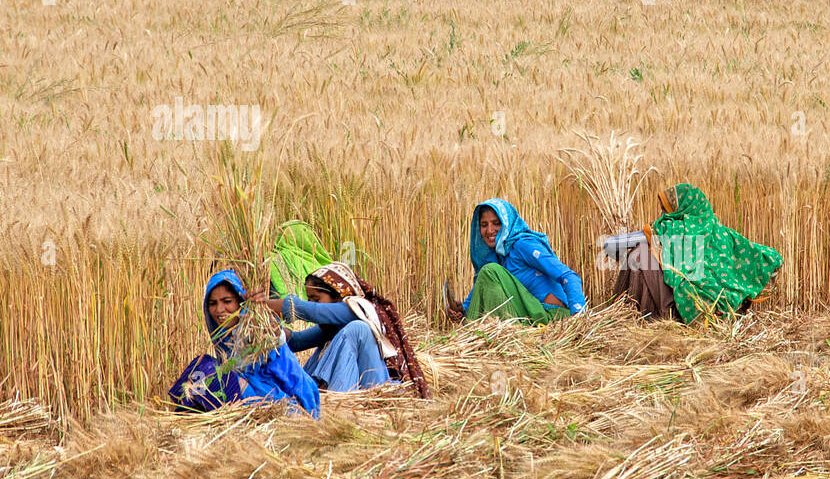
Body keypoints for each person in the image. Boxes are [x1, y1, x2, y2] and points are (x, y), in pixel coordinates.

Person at [248, 262, 429, 396]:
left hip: (375, 390)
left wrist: (268, 304)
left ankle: (338, 402)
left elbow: (314, 312)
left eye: (316, 298)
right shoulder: (333, 328)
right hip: (357, 392)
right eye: (309, 299)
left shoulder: (357, 309)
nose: (312, 304)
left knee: (358, 329)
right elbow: (296, 341)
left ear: (338, 296)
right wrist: (270, 326)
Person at [619, 183, 782, 324]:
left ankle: (644, 315)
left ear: (684, 209)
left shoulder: (680, 230)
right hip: (712, 304)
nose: (664, 216)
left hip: (694, 306)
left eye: (667, 210)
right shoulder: (721, 231)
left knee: (640, 255)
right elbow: (766, 255)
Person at [168, 270, 320, 417]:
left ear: (241, 302)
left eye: (227, 301)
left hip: (283, 404)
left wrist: (260, 306)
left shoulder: (255, 326)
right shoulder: (226, 337)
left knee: (210, 371)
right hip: (252, 395)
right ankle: (188, 415)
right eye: (213, 303)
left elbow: (274, 334)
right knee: (200, 365)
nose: (219, 310)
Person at [445, 200, 586, 324]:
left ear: (507, 224)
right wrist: (462, 312)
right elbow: (474, 298)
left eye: (496, 223)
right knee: (487, 271)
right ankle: (473, 333)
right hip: (527, 318)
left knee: (489, 270)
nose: (489, 230)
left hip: (550, 317)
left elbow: (568, 276)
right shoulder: (495, 257)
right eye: (484, 224)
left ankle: (472, 330)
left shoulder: (523, 245)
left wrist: (577, 317)